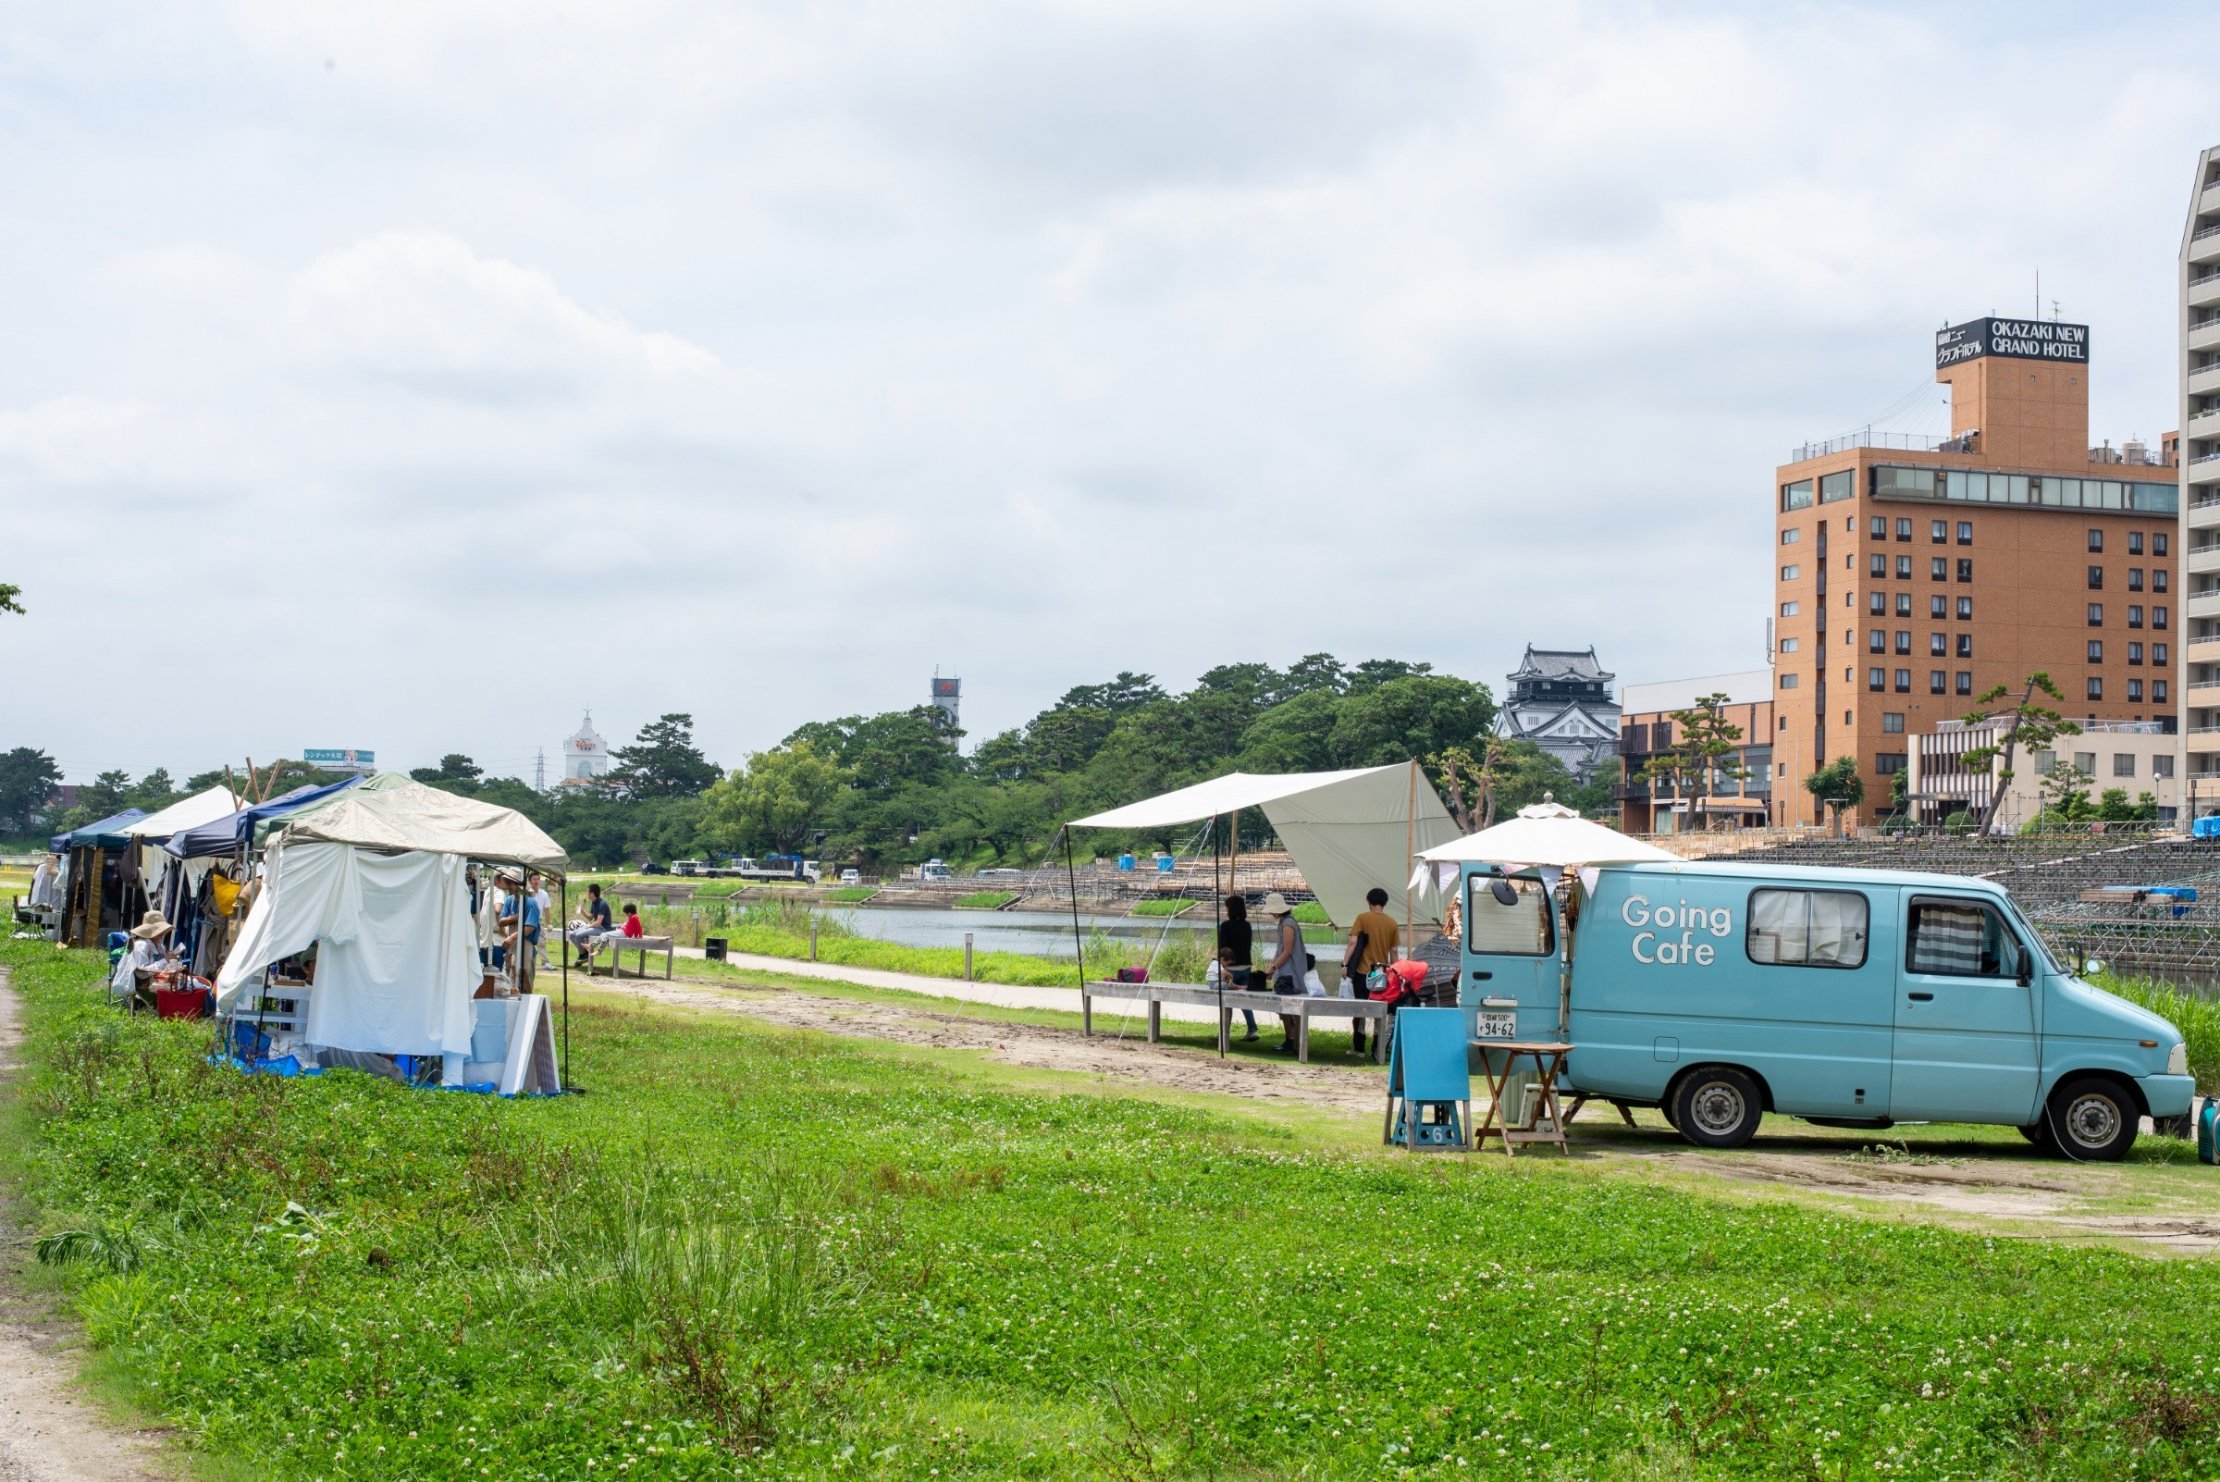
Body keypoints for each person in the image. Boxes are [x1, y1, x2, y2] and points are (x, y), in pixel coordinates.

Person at [1344, 886, 1401, 1056]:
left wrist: (1344, 964)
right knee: (1379, 1011)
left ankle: (1359, 1048)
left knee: (1360, 1009)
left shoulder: (1362, 918)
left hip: (1362, 972)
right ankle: (1376, 1048)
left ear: (1369, 902)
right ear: (1385, 903)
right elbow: (1394, 952)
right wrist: (1395, 973)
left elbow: (1353, 942)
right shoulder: (1392, 923)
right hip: (1381, 973)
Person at [1261, 892, 1306, 1052]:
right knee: (1283, 1009)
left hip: (1290, 972)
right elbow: (1279, 950)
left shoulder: (1288, 924)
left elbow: (1287, 951)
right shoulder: (1283, 922)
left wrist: (1273, 967)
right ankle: (1290, 1039)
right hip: (1283, 969)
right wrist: (1272, 966)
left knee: (1289, 1008)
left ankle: (1294, 1041)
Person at [1217, 894, 1259, 1043]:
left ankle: (1224, 1032)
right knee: (1244, 998)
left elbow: (1223, 948)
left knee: (1226, 999)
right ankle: (1252, 1028)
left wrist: (1220, 964)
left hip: (1231, 967)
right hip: (1246, 965)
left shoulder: (1226, 926)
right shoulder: (1247, 925)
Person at [570, 883, 614, 967]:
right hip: (596, 926)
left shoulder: (602, 904)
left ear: (592, 893)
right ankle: (584, 954)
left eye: (588, 892)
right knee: (572, 935)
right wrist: (582, 911)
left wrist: (588, 926)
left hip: (603, 929)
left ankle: (583, 955)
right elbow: (590, 917)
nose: (587, 894)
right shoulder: (593, 903)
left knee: (579, 935)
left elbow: (598, 922)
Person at [531, 874, 554, 969]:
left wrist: (548, 923)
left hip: (538, 922)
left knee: (541, 942)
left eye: (537, 879)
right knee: (527, 942)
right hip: (527, 921)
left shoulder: (544, 894)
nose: (536, 881)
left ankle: (545, 962)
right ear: (530, 881)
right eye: (534, 879)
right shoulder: (527, 893)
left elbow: (547, 910)